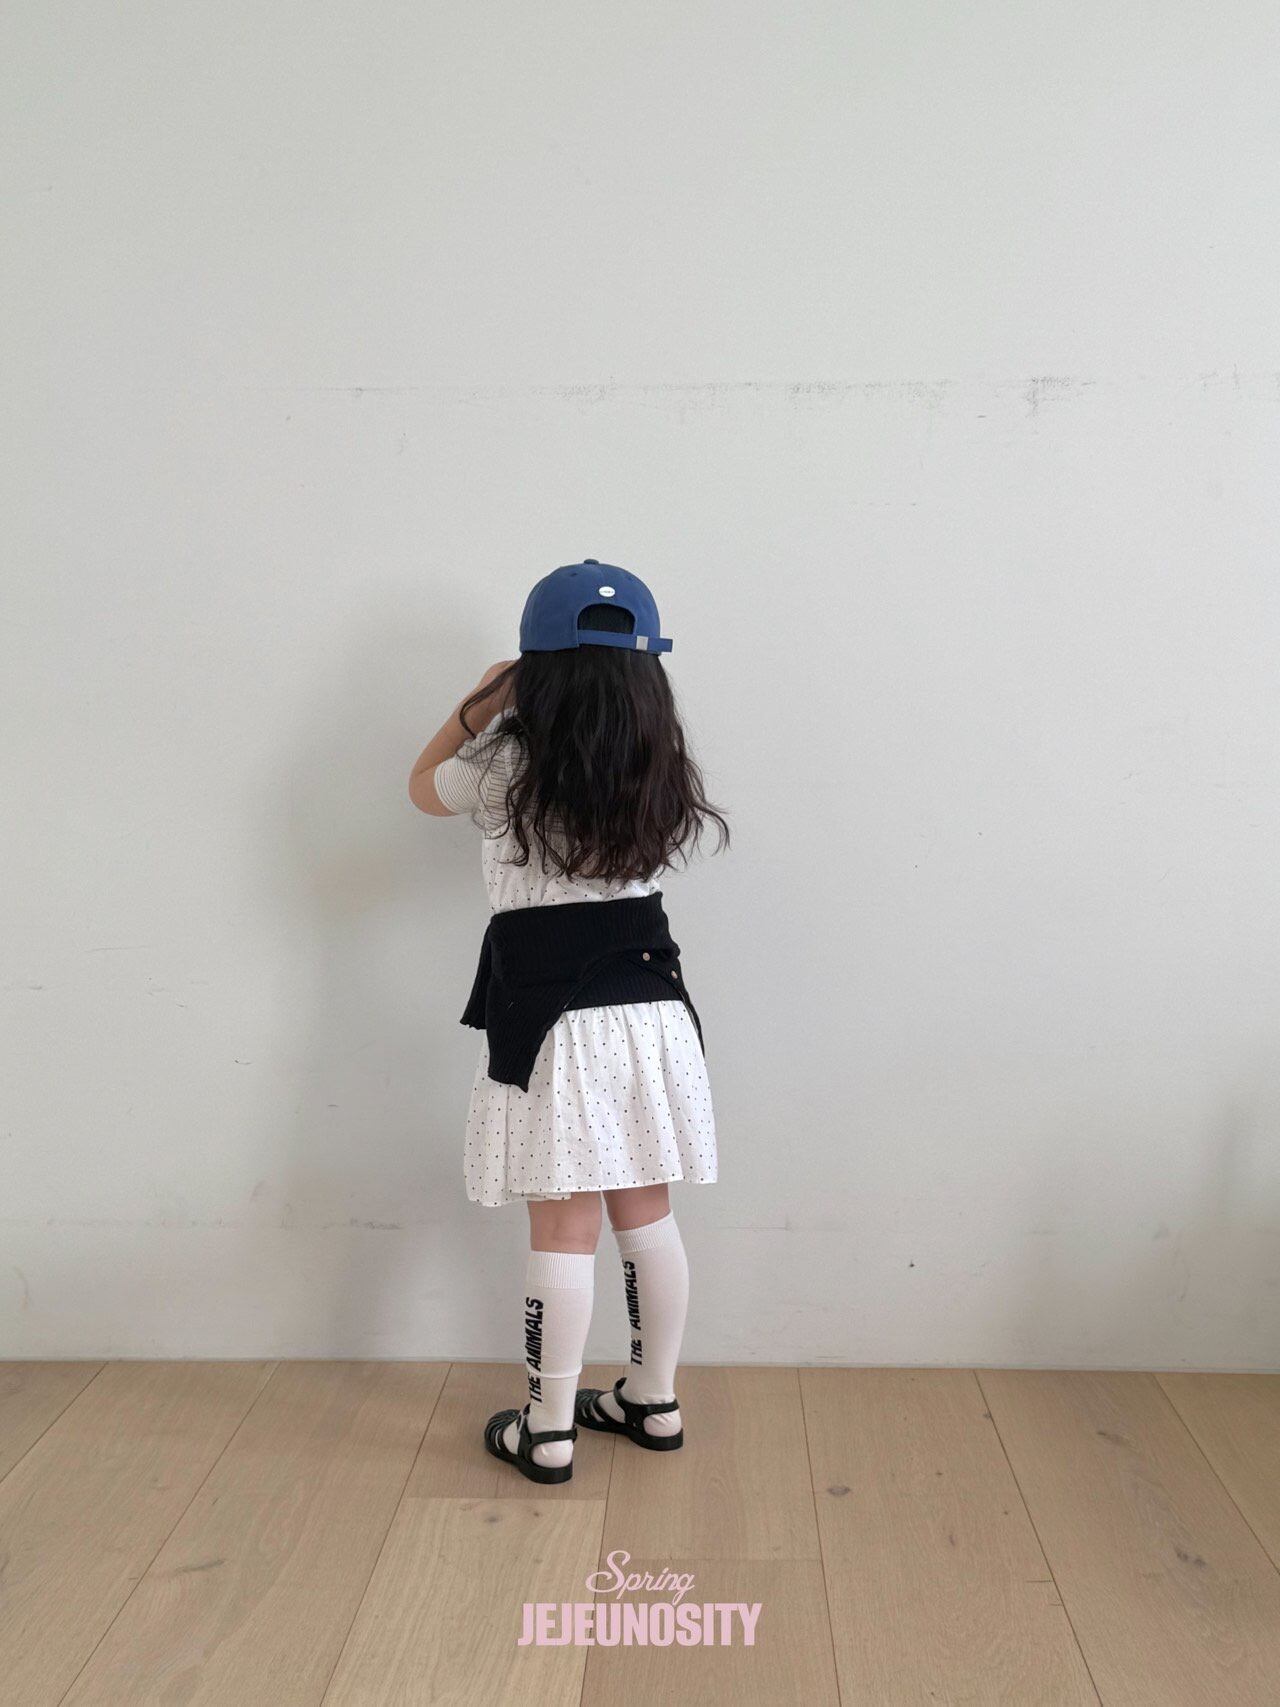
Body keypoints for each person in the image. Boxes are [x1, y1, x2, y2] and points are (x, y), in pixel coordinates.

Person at [409, 560, 729, 1484]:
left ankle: (548, 1427)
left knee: (563, 1226)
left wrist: (479, 701)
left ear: (535, 668)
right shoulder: (658, 756)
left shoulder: (508, 759)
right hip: (652, 1008)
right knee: (647, 1214)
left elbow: (422, 784)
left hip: (557, 1017)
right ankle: (653, 1398)